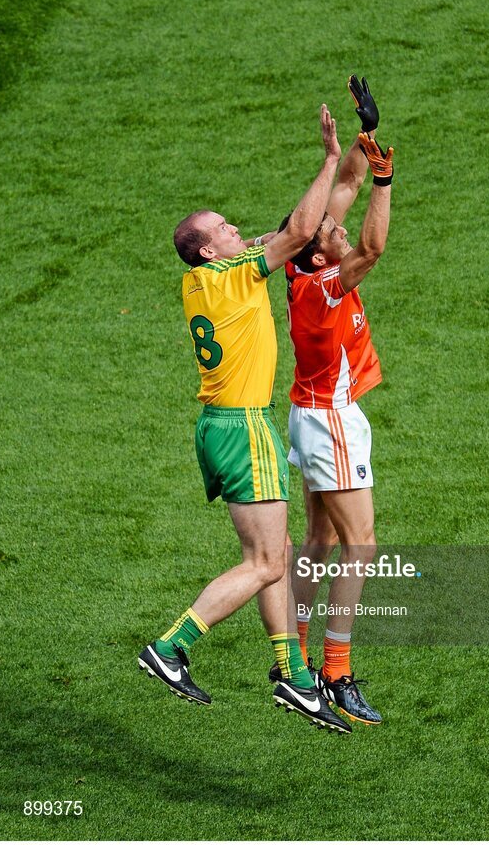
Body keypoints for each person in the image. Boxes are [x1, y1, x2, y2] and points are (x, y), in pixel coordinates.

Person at [138, 104, 351, 734]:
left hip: (214, 428)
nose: (237, 229)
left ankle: (293, 675)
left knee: (274, 551)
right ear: (207, 249)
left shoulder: (204, 279)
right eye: (225, 228)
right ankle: (172, 647)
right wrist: (332, 158)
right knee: (264, 562)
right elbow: (294, 234)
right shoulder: (230, 275)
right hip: (243, 426)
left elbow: (281, 234)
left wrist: (349, 174)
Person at [274, 76, 393, 725]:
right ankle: (336, 670)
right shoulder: (324, 291)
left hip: (309, 414)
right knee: (361, 546)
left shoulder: (306, 262)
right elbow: (372, 245)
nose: (341, 231)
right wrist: (384, 181)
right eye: (332, 234)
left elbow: (341, 188)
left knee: (318, 540)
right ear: (321, 254)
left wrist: (362, 134)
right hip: (330, 422)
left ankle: (289, 654)